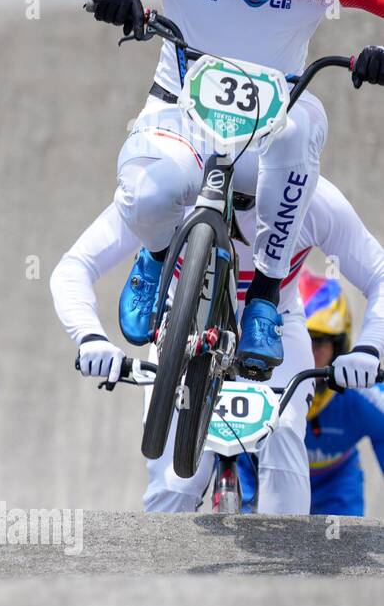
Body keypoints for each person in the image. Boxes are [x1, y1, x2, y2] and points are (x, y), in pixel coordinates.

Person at [17, 0, 384, 381]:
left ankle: (263, 292)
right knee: (152, 194)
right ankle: (157, 254)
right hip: (179, 119)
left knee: (306, 121)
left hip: (268, 133)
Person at [50, 176, 384, 514]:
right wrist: (90, 336)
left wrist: (370, 346)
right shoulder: (167, 185)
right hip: (184, 329)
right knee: (176, 487)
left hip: (277, 329)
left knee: (282, 456)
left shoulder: (315, 200)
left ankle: (290, 561)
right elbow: (75, 266)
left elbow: (379, 274)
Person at [233, 271, 384, 515]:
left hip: (335, 493)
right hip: (256, 482)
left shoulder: (365, 399)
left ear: (339, 349)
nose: (305, 354)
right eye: (284, 339)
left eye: (317, 341)